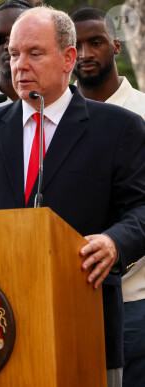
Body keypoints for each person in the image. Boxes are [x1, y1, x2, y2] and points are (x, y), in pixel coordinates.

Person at [0, 6, 145, 387]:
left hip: (84, 323)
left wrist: (114, 242)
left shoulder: (117, 128)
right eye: (14, 53)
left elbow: (141, 208)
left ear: (69, 58)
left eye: (34, 53)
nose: (18, 64)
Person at [71, 8, 145, 387]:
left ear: (115, 46)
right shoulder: (53, 122)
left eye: (95, 42)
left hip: (135, 302)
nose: (85, 53)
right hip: (67, 303)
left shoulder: (143, 113)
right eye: (76, 45)